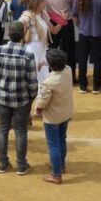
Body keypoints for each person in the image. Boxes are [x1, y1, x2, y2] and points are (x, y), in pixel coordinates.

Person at [0, 21, 38, 175]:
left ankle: (2, 163)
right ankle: (21, 165)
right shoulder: (28, 54)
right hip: (22, 99)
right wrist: (31, 97)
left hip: (2, 98)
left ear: (9, 34)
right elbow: (32, 82)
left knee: (2, 128)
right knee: (20, 131)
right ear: (23, 35)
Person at [35, 49, 73, 185]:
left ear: (51, 65)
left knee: (53, 145)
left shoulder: (49, 82)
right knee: (62, 139)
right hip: (65, 113)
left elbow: (42, 102)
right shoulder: (68, 70)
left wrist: (38, 110)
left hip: (52, 118)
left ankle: (56, 175)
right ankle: (61, 166)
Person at [44, 0, 76, 83]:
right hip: (65, 23)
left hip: (51, 21)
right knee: (69, 50)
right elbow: (73, 7)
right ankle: (70, 78)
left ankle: (50, 74)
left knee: (52, 48)